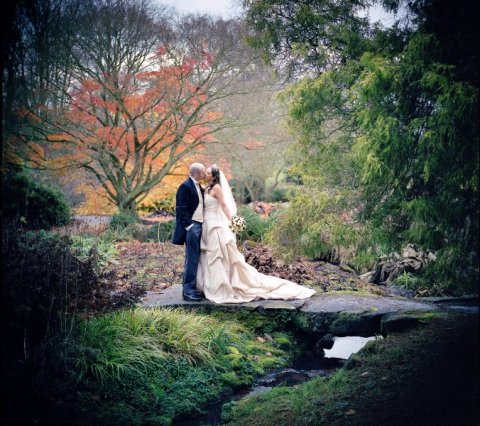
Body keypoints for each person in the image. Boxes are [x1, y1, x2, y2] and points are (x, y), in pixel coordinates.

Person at [196, 164, 316, 304]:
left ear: (214, 176)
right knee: (209, 255)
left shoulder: (217, 188)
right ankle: (210, 284)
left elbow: (224, 206)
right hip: (206, 224)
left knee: (217, 255)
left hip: (215, 226)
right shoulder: (207, 188)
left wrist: (233, 220)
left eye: (208, 172)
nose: (205, 174)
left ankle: (220, 286)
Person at [172, 162, 206, 302]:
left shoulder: (199, 186)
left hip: (199, 224)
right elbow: (181, 208)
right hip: (192, 226)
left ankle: (192, 288)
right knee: (191, 259)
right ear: (197, 174)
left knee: (195, 258)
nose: (205, 174)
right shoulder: (185, 186)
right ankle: (188, 292)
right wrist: (189, 227)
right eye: (203, 172)